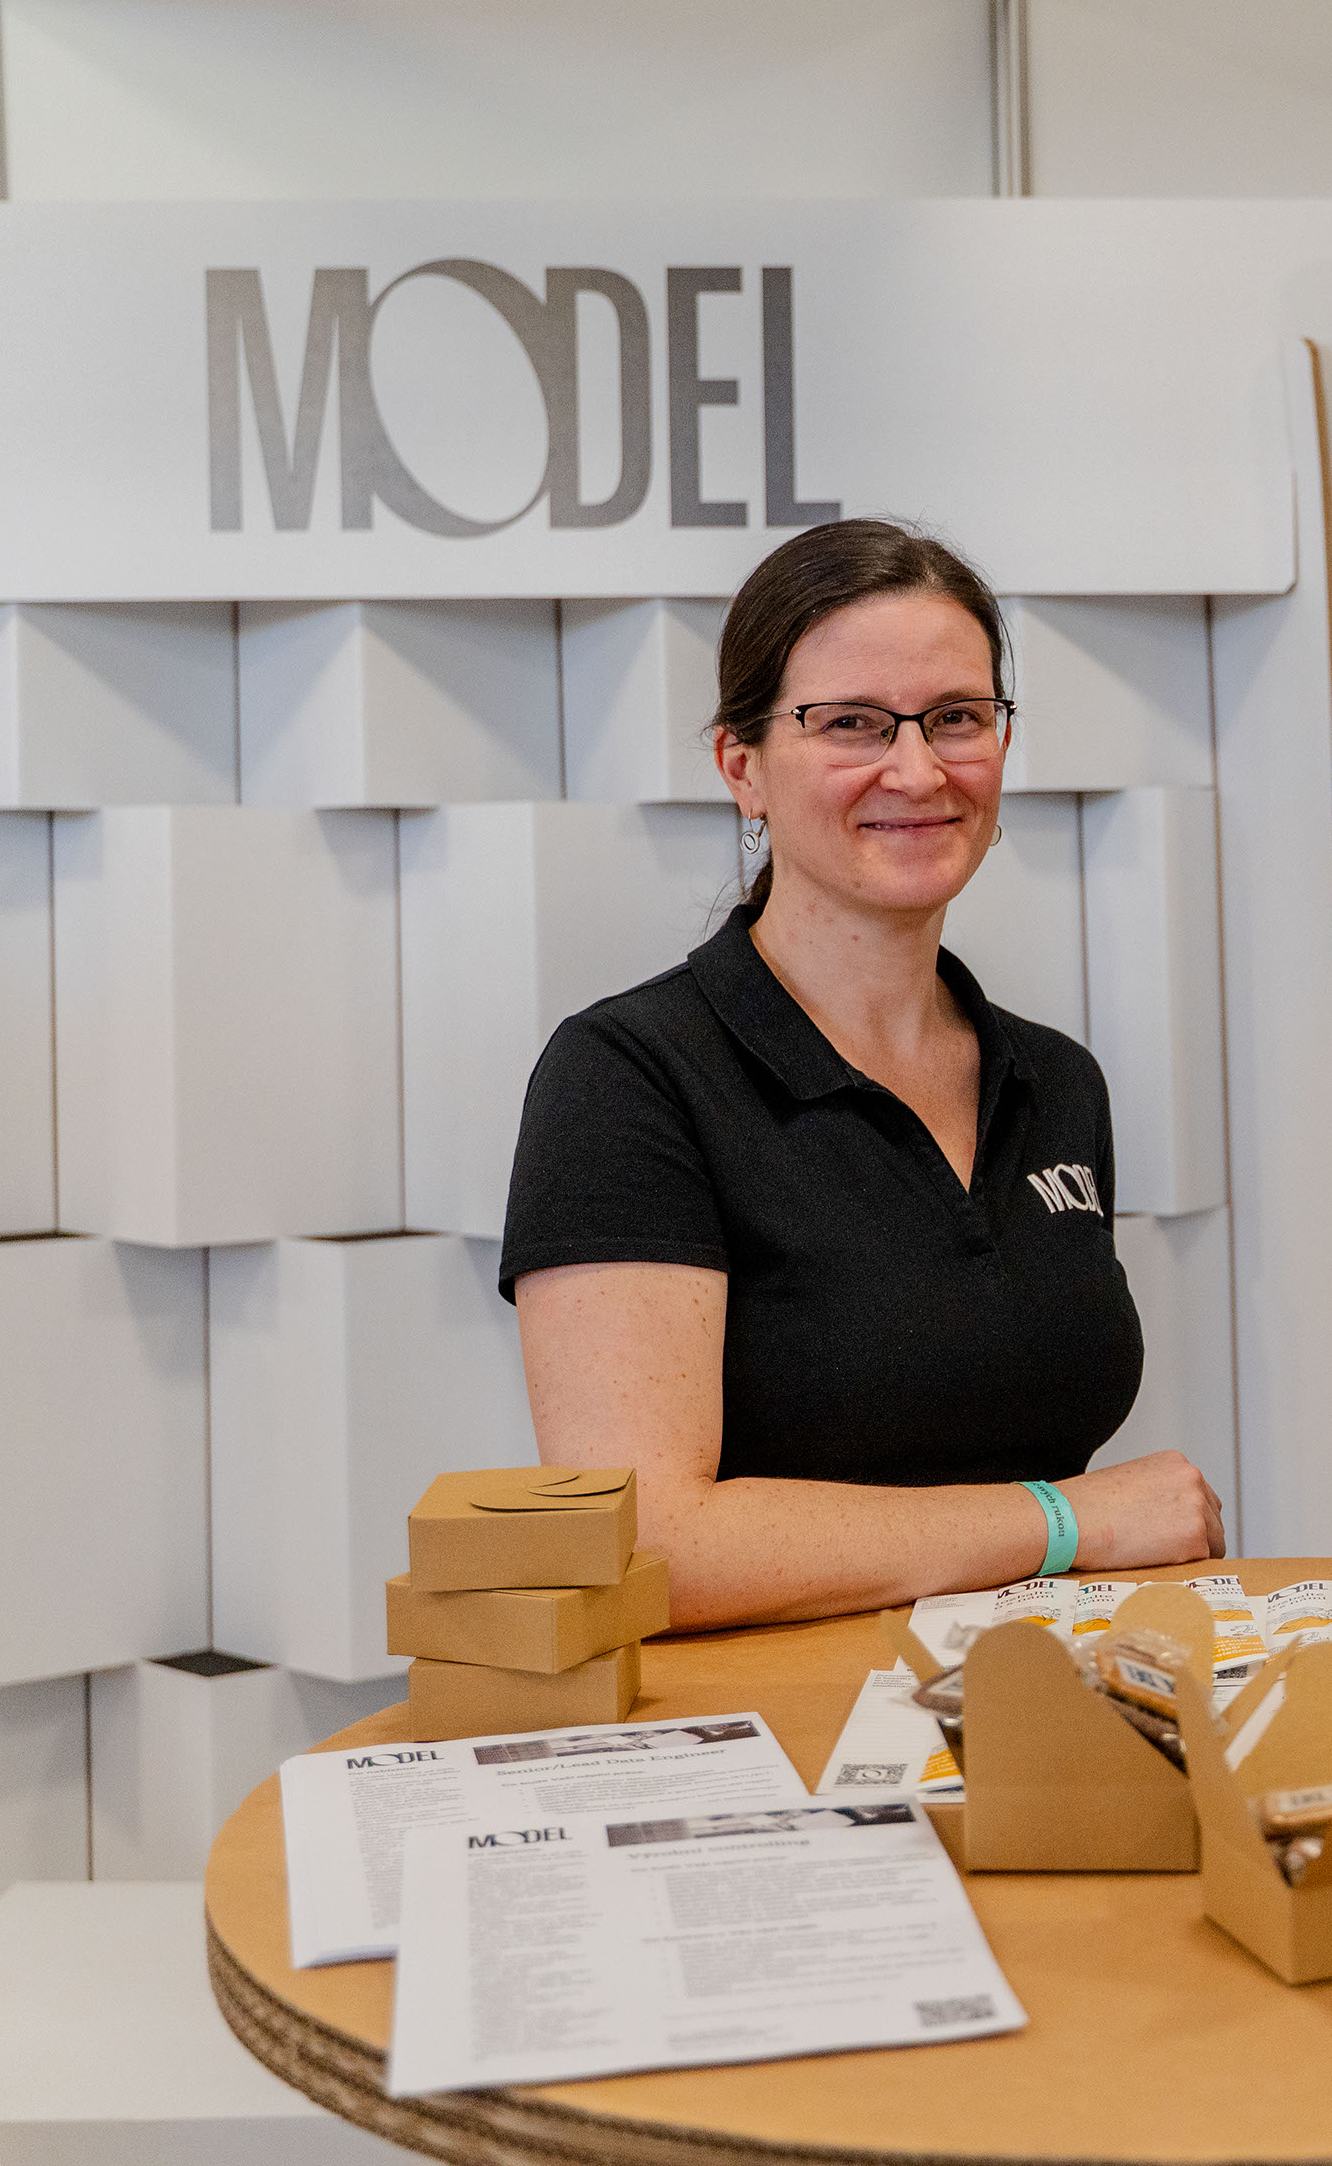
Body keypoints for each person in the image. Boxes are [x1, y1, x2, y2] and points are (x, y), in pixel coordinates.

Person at [503, 519, 1224, 1631]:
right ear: (741, 766)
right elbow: (646, 1542)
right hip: (778, 1720)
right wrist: (1067, 1520)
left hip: (1031, 1697)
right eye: (851, 722)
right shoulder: (628, 1077)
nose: (918, 769)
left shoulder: (1056, 1081)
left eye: (957, 717)